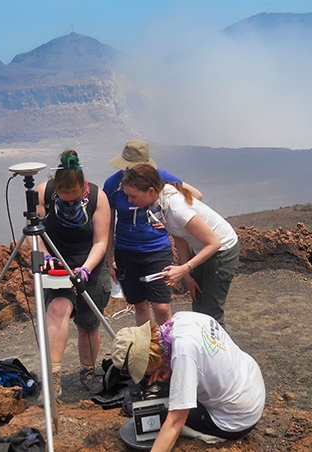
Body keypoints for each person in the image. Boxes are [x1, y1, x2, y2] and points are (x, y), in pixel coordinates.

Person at [112, 312, 265, 450]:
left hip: (235, 419)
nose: (146, 374)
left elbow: (175, 422)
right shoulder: (179, 320)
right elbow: (201, 358)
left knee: (157, 412)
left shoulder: (183, 355)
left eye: (143, 370)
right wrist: (170, 369)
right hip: (251, 385)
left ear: (146, 362)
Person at [32, 149, 111, 397]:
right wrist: (44, 255)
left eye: (73, 199)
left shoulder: (99, 198)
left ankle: (88, 371)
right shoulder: (43, 193)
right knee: (57, 309)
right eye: (64, 199)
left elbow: (101, 241)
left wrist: (86, 269)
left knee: (88, 323)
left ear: (83, 186)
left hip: (89, 263)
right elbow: (34, 233)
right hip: (56, 262)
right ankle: (53, 375)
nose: (69, 203)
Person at [120, 163, 239, 326]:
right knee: (199, 310)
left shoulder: (177, 208)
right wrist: (187, 276)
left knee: (211, 315)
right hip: (204, 251)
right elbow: (180, 236)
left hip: (222, 251)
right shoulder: (160, 206)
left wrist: (184, 268)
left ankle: (219, 350)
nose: (129, 200)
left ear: (151, 191)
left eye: (133, 196)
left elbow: (214, 243)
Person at [103, 140, 203, 326]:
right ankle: (149, 350)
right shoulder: (112, 184)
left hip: (156, 249)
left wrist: (170, 220)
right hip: (126, 251)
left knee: (162, 307)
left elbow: (195, 195)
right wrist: (110, 261)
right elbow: (108, 224)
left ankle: (167, 348)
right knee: (139, 305)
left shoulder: (158, 177)